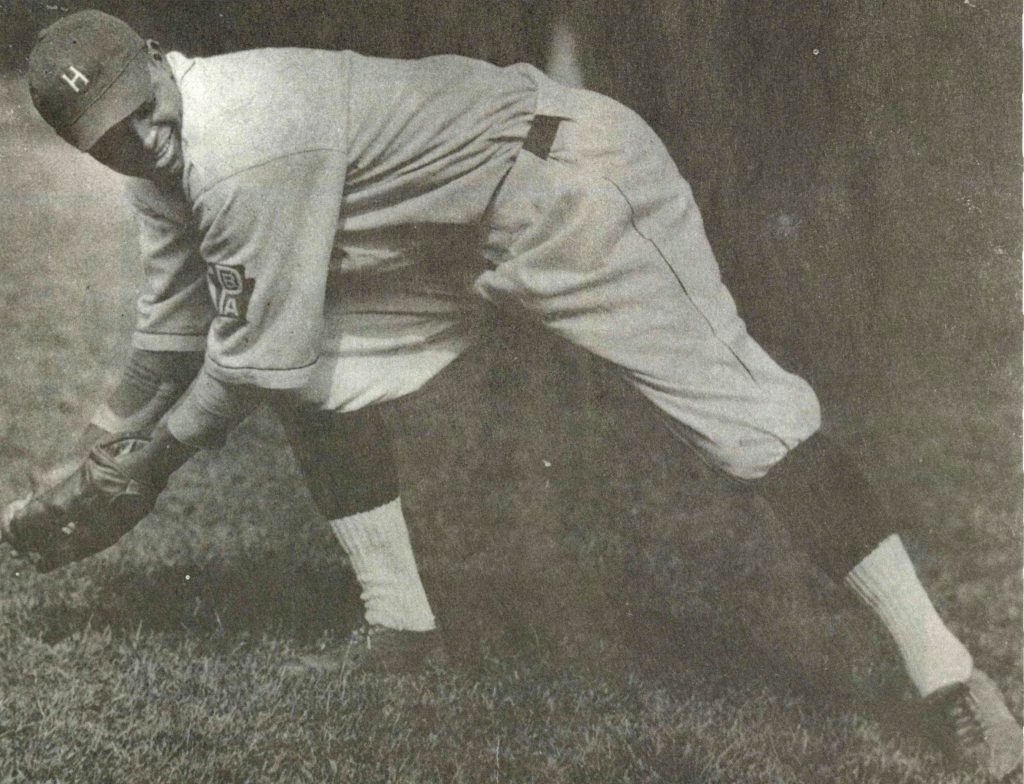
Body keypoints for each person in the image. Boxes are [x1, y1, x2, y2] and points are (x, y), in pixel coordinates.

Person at [9, 10, 1020, 778]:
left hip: (563, 178)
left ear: (155, 58)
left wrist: (140, 474)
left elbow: (244, 361)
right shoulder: (164, 164)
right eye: (107, 136)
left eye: (139, 110)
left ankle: (947, 673)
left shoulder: (242, 136)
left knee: (747, 421)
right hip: (442, 230)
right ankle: (402, 627)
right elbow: (170, 332)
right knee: (317, 372)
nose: (136, 141)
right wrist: (89, 450)